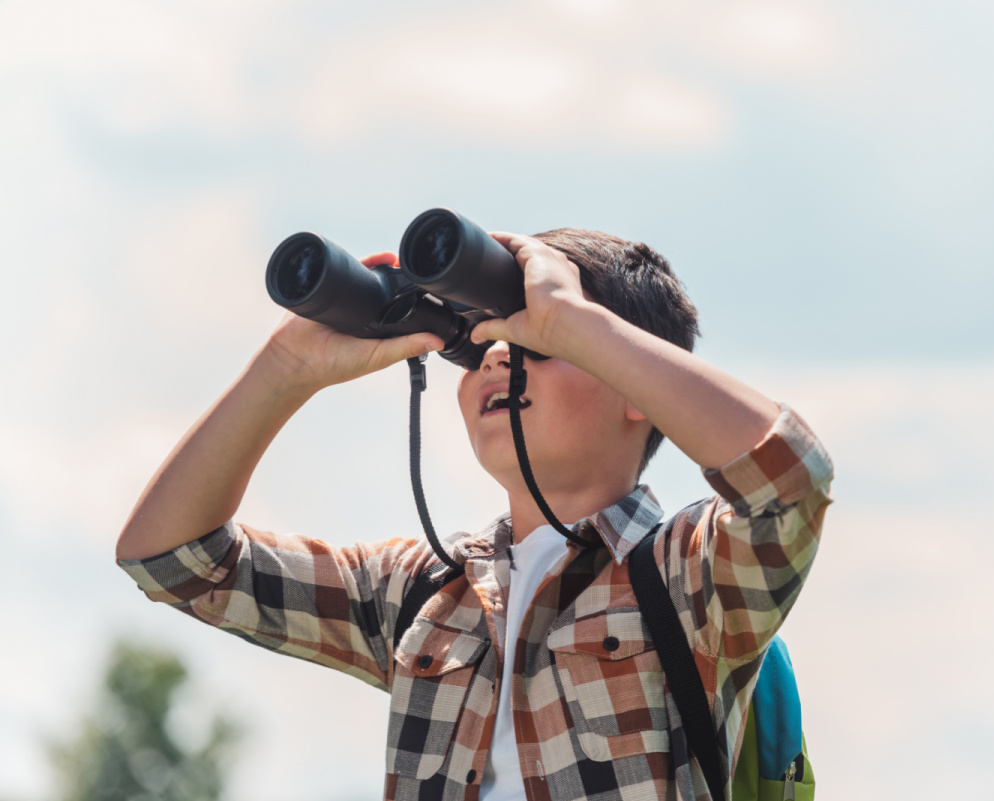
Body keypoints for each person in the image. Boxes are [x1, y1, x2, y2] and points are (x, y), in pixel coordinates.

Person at [116, 227, 834, 801]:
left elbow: (792, 481)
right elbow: (173, 558)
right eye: (479, 347)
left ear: (633, 382)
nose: (495, 360)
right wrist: (285, 368)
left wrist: (575, 321)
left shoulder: (687, 576)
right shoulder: (423, 590)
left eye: (535, 348)